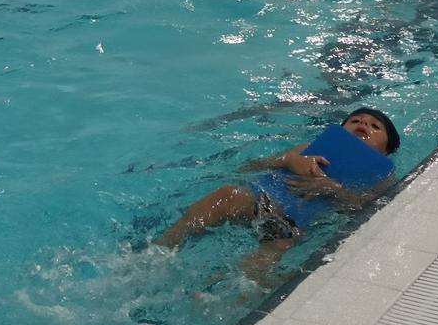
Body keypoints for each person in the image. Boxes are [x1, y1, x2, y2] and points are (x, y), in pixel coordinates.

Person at [156, 108, 400, 274]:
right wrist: (287, 159)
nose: (363, 123)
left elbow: (370, 209)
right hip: (262, 202)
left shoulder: (382, 176)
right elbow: (248, 168)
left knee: (280, 246)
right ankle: (162, 248)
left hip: (293, 224)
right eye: (355, 121)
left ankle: (236, 290)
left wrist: (335, 190)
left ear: (386, 150)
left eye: (375, 126)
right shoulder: (308, 149)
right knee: (228, 194)